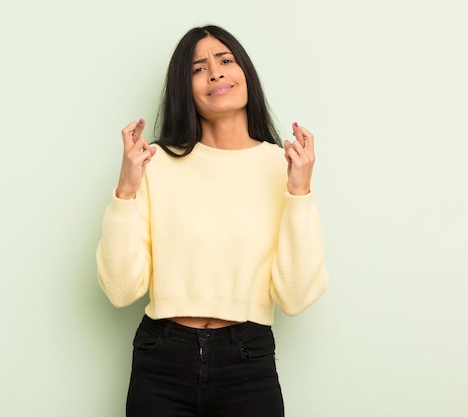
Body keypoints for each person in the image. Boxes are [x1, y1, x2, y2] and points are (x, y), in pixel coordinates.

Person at [96, 24, 329, 417]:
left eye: (225, 60)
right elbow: (121, 291)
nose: (216, 73)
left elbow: (295, 296)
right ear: (183, 88)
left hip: (247, 360)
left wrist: (299, 193)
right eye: (198, 68)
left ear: (245, 74)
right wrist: (125, 191)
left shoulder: (283, 165)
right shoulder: (155, 163)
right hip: (161, 359)